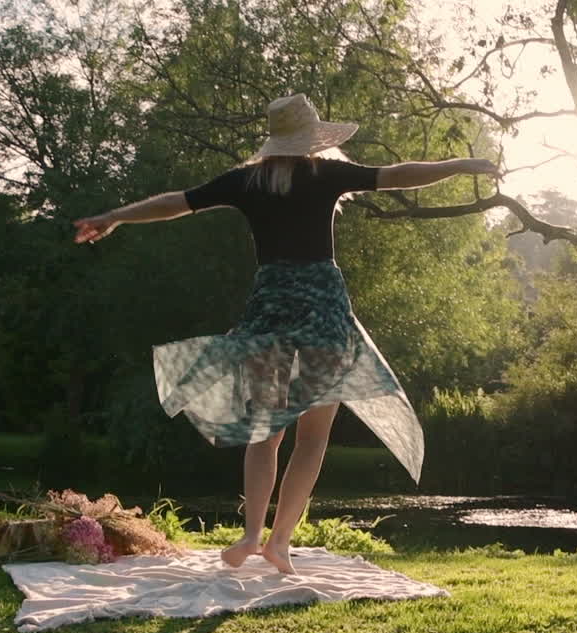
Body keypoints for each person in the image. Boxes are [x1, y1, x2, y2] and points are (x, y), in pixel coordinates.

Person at [73, 93, 499, 573]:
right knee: (312, 438)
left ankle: (252, 535)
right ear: (312, 138)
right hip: (322, 311)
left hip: (271, 309)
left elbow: (176, 203)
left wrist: (114, 217)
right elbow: (400, 173)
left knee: (265, 432)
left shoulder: (247, 181)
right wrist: (461, 164)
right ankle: (279, 542)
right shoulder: (325, 174)